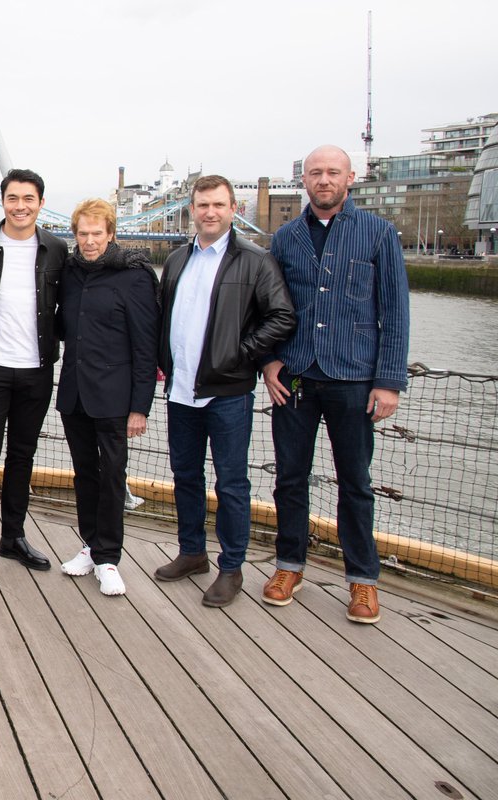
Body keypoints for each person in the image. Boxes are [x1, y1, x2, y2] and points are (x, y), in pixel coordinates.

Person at [262, 145, 410, 624]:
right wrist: (269, 362)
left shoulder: (378, 234)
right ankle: (289, 566)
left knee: (356, 484)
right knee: (289, 478)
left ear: (350, 178)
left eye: (332, 172)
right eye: (314, 173)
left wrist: (389, 382)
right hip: (297, 377)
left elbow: (395, 312)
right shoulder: (284, 238)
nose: (323, 180)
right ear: (303, 180)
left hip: (354, 378)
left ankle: (363, 581)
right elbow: (269, 310)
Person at [153, 175, 295, 608]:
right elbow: (163, 316)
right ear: (191, 210)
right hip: (181, 390)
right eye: (202, 205)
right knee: (186, 477)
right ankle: (193, 552)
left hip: (228, 392)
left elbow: (282, 316)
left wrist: (241, 353)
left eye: (218, 205)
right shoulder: (177, 260)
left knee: (232, 483)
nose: (209, 212)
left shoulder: (254, 261)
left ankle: (231, 568)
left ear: (234, 209)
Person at [0, 168, 68, 580]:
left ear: (40, 203)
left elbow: (71, 306)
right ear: (1, 201)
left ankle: (14, 537)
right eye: (12, 198)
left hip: (37, 371)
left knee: (23, 457)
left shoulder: (57, 250)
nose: (20, 206)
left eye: (28, 199)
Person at [55, 199, 159, 595]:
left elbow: (145, 346)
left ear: (111, 233)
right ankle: (89, 545)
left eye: (97, 233)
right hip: (75, 394)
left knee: (113, 476)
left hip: (116, 398)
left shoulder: (133, 277)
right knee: (85, 474)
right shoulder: (69, 273)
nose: (89, 241)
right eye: (82, 233)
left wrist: (140, 406)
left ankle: (109, 557)